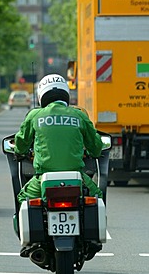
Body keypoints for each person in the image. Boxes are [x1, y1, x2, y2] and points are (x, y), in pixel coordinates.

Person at [14, 73, 103, 207]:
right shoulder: (79, 115)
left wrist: (19, 152)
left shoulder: (34, 115)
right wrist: (94, 153)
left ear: (41, 96)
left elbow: (21, 143)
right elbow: (96, 146)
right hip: (77, 177)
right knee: (97, 197)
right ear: (66, 93)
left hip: (42, 178)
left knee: (23, 198)